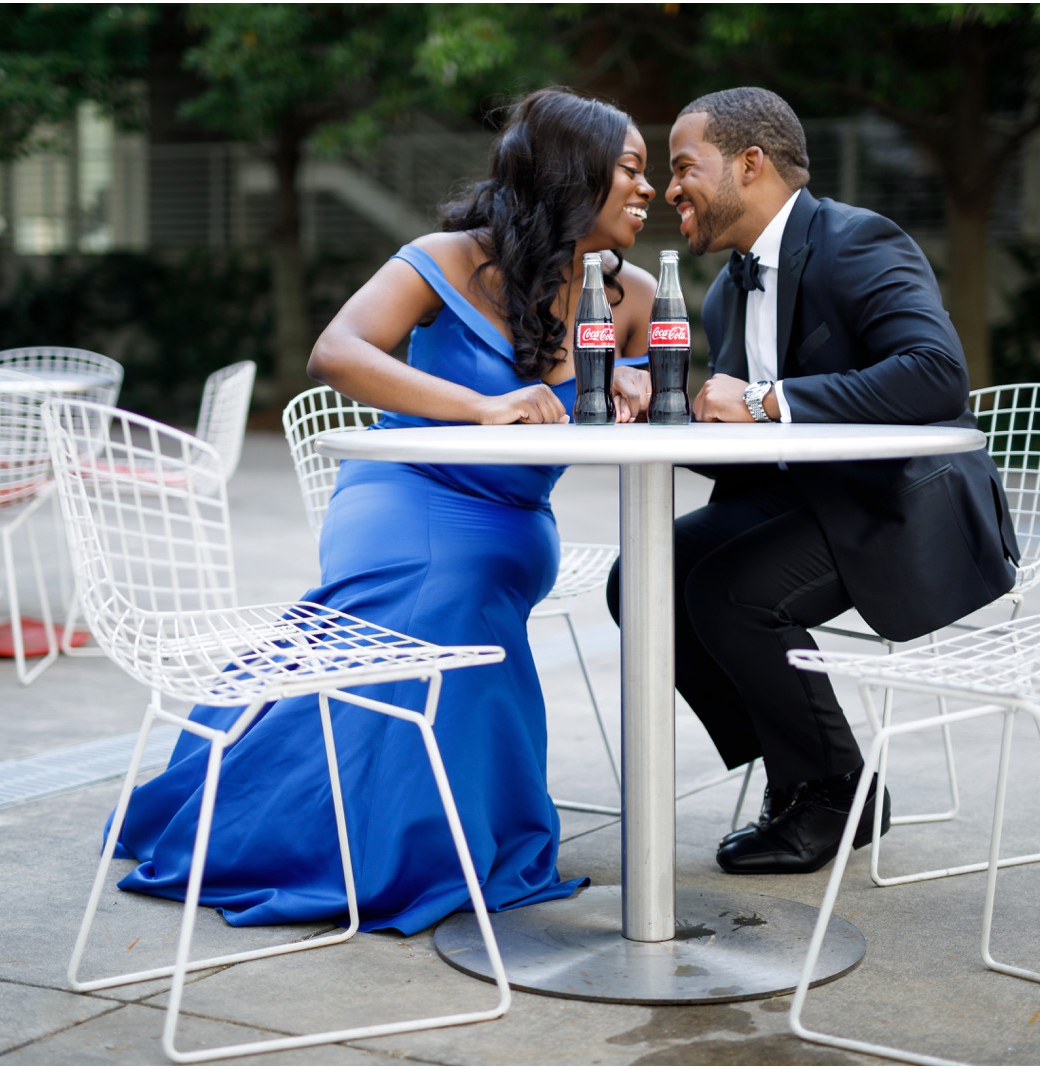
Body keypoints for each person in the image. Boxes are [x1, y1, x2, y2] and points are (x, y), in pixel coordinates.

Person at [108, 87, 658, 935]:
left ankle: (445, 828)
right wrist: (481, 406)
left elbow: (618, 407)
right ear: (572, 175)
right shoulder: (447, 257)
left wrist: (631, 384)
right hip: (404, 489)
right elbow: (336, 351)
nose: (647, 189)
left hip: (513, 516)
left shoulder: (633, 296)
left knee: (468, 585)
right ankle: (370, 843)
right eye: (630, 169)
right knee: (437, 593)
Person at [607, 87, 1020, 876]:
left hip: (895, 502)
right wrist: (666, 416)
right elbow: (749, 440)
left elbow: (936, 376)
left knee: (729, 590)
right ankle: (798, 773)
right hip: (804, 497)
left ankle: (835, 791)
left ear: (751, 164)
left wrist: (764, 400)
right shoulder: (729, 288)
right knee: (643, 578)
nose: (669, 189)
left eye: (684, 166)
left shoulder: (858, 240)